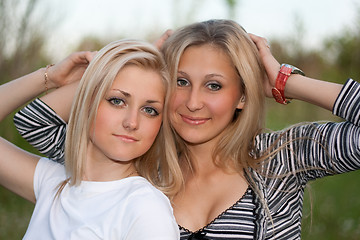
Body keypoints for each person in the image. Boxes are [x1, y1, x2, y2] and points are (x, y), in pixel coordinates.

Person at [13, 19, 360, 239]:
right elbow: (34, 123)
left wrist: (284, 82)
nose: (193, 102)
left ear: (242, 95)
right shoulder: (137, 157)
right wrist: (128, 67)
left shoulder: (282, 157)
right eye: (181, 81)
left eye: (214, 86)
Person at [2, 39, 182, 239]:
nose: (132, 122)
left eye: (150, 110)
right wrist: (50, 77)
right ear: (88, 103)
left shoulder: (145, 210)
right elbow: (31, 121)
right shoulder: (53, 181)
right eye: (117, 101)